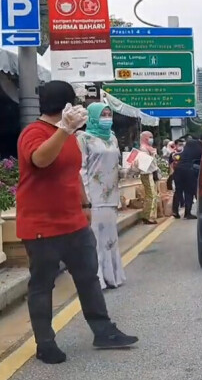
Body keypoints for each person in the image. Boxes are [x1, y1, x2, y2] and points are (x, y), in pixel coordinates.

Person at [16, 81, 138, 365]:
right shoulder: (34, 133)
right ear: (65, 105)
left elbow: (74, 174)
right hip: (41, 226)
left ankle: (104, 331)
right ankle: (45, 343)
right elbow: (40, 159)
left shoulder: (70, 135)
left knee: (88, 278)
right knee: (42, 285)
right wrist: (63, 131)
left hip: (74, 223)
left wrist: (84, 205)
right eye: (75, 102)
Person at [77, 103, 126, 290]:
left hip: (111, 196)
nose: (106, 117)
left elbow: (115, 165)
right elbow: (81, 170)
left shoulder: (112, 138)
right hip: (94, 198)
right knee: (95, 239)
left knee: (111, 238)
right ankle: (96, 279)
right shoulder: (83, 138)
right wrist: (85, 200)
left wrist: (130, 170)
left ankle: (113, 276)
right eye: (103, 114)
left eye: (108, 114)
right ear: (93, 117)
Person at [174, 134, 202, 219]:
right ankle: (187, 213)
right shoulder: (199, 147)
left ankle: (175, 211)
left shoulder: (188, 145)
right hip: (189, 170)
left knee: (178, 190)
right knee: (189, 191)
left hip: (178, 169)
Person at [139, 131, 158, 225]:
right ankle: (149, 217)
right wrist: (153, 155)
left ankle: (147, 215)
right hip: (147, 174)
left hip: (149, 173)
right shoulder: (143, 149)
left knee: (150, 195)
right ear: (145, 138)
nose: (151, 139)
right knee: (152, 195)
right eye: (149, 137)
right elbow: (147, 163)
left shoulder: (148, 148)